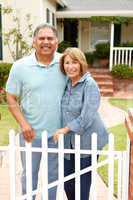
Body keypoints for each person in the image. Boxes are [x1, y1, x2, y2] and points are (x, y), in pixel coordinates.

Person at [6, 23, 66, 200]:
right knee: (29, 176)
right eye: (41, 38)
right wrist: (23, 124)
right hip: (30, 135)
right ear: (34, 42)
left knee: (53, 178)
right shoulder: (20, 66)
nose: (46, 42)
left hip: (57, 135)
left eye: (50, 38)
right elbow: (10, 97)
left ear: (57, 42)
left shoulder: (65, 63)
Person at [53, 47, 108, 200]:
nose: (70, 66)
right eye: (67, 63)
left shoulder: (89, 84)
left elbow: (86, 117)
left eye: (74, 62)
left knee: (83, 184)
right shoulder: (67, 83)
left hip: (88, 140)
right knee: (68, 183)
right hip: (69, 142)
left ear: (81, 63)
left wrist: (64, 129)